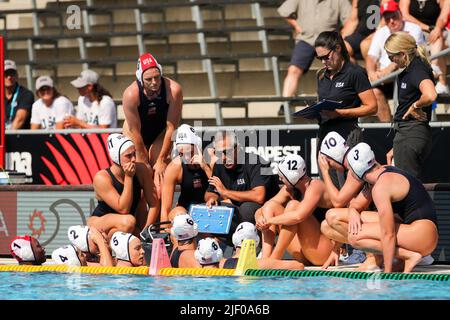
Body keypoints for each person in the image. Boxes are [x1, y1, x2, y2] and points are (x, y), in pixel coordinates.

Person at [345, 142, 439, 273]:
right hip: (422, 231)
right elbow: (356, 205)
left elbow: (388, 234)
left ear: (356, 173)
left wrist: (387, 273)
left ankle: (408, 255)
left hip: (423, 235)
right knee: (354, 224)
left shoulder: (380, 188)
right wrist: (353, 211)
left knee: (354, 237)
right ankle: (405, 257)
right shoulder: (384, 172)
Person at [314, 31, 377, 187]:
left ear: (337, 49)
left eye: (326, 57)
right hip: (324, 135)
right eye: (319, 58)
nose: (323, 62)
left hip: (347, 134)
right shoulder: (321, 75)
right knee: (329, 186)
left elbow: (372, 107)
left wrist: (340, 113)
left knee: (351, 187)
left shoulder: (355, 73)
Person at [255, 154, 334, 266]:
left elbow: (299, 216)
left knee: (293, 206)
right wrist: (260, 219)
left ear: (291, 177)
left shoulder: (315, 186)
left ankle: (275, 258)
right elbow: (261, 210)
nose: (279, 179)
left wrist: (270, 221)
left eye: (282, 176)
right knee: (270, 206)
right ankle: (266, 258)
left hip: (323, 252)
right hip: (302, 250)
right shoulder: (289, 189)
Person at [122, 53, 183, 197]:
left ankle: (161, 215)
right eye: (149, 79)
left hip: (161, 131)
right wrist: (142, 158)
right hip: (136, 131)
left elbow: (171, 128)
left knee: (159, 178)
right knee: (141, 177)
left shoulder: (173, 90)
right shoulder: (131, 94)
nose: (154, 82)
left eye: (157, 77)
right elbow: (134, 130)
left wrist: (161, 159)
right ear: (140, 78)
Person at [276, 0, 352, 116]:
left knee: (337, 70)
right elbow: (284, 11)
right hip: (306, 39)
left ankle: (342, 101)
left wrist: (340, 37)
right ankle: (285, 104)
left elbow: (350, 19)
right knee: (293, 70)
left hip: (328, 42)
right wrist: (296, 26)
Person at [204, 131, 280, 234]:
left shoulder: (255, 162)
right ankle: (211, 246)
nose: (223, 158)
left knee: (247, 209)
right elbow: (210, 191)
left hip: (265, 212)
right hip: (237, 211)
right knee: (205, 212)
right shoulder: (220, 165)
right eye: (219, 153)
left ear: (238, 148)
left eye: (227, 152)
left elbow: (259, 196)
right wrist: (212, 199)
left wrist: (225, 192)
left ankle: (248, 245)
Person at [384, 31, 437, 181]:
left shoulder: (417, 69)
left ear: (402, 54)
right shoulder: (414, 68)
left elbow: (431, 95)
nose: (391, 61)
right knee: (408, 185)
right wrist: (397, 146)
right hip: (408, 134)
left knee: (408, 187)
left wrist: (415, 105)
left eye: (391, 57)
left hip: (411, 132)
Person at [88, 133, 160, 239]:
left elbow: (154, 204)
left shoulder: (141, 170)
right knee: (129, 221)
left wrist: (145, 231)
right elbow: (123, 209)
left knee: (136, 234)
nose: (134, 159)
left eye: (134, 153)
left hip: (124, 226)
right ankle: (103, 246)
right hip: (100, 223)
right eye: (128, 156)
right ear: (116, 157)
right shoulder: (102, 178)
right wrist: (129, 177)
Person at [367, 0, 425, 122]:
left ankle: (403, 127)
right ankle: (388, 130)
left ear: (400, 14)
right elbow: (371, 57)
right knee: (374, 92)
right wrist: (372, 73)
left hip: (408, 75)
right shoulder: (381, 32)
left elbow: (410, 54)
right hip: (385, 78)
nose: (391, 21)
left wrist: (390, 68)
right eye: (387, 19)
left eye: (394, 17)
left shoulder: (414, 29)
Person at [161, 124, 211, 223]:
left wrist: (205, 168)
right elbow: (165, 208)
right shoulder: (174, 167)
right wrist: (163, 233)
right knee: (177, 213)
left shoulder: (210, 159)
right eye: (181, 154)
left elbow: (222, 191)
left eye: (190, 153)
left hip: (209, 209)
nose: (186, 158)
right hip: (187, 212)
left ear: (198, 147)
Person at [400, 0, 450, 94]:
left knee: (438, 39)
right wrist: (428, 28)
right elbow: (404, 15)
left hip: (435, 32)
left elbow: (443, 16)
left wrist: (437, 28)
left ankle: (434, 70)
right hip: (415, 31)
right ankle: (436, 79)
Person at [220, 222, 305, 270]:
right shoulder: (260, 263)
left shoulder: (221, 263)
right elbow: (299, 266)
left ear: (234, 239)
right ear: (256, 241)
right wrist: (271, 261)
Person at [3, 59, 34, 129]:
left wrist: (6, 138)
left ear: (17, 75)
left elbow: (19, 120)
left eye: (12, 73)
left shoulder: (26, 94)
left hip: (19, 138)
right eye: (5, 74)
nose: (9, 77)